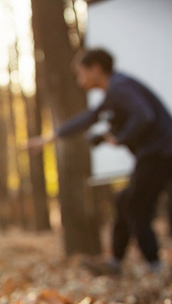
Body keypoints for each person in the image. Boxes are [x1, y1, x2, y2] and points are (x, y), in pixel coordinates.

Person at [26, 48, 172, 275]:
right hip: (156, 155)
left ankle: (155, 265)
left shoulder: (120, 88)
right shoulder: (116, 90)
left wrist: (120, 137)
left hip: (160, 154)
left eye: (81, 73)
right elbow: (88, 118)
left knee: (134, 204)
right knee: (125, 200)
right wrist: (48, 139)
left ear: (96, 69)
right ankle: (116, 262)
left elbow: (144, 115)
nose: (79, 80)